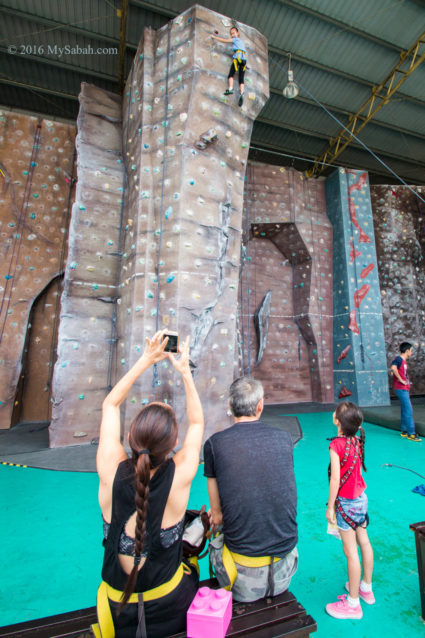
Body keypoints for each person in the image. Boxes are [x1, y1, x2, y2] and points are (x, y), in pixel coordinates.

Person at [94, 330, 204, 638]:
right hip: (170, 604)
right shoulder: (180, 475)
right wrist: (184, 371)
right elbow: (198, 422)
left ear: (130, 439)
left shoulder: (110, 469)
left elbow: (110, 406)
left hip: (117, 610)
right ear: (174, 445)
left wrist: (146, 359)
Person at [204, 376, 298, 602]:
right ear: (260, 406)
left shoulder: (215, 444)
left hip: (239, 578)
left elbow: (216, 514)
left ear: (230, 406)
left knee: (212, 524)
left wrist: (216, 514)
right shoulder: (285, 439)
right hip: (285, 570)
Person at [325, 402, 374, 620]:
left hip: (345, 503)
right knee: (364, 541)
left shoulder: (336, 445)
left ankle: (353, 604)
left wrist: (330, 506)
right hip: (361, 499)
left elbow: (335, 478)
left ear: (338, 421)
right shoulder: (356, 439)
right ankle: (366, 587)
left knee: (351, 552)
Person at [391, 342, 421, 441]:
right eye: (411, 351)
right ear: (407, 351)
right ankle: (411, 433)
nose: (411, 352)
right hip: (401, 388)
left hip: (404, 388)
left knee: (404, 409)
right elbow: (393, 368)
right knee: (409, 409)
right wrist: (400, 380)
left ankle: (404, 430)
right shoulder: (399, 359)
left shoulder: (402, 361)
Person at [210, 26, 247, 106]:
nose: (232, 35)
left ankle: (230, 88)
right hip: (244, 61)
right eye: (231, 34)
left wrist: (214, 37)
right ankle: (242, 93)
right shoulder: (242, 43)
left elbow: (225, 40)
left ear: (238, 33)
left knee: (231, 75)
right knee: (241, 78)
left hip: (237, 58)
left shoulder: (235, 39)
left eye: (233, 33)